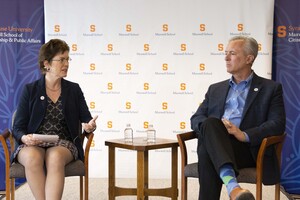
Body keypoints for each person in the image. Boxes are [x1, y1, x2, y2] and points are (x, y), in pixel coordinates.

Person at [190, 36, 286, 200]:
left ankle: (232, 186)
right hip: (217, 144)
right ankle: (233, 188)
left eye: (232, 53)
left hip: (247, 149)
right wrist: (213, 130)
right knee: (211, 125)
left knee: (207, 150)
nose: (226, 58)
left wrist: (244, 134)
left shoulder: (270, 88)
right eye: (226, 53)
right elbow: (196, 118)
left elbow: (277, 124)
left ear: (249, 58)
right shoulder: (215, 89)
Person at [12, 38, 98, 200]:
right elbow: (17, 127)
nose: (66, 64)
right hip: (33, 143)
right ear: (47, 64)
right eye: (61, 59)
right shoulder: (30, 90)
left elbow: (86, 119)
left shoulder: (73, 89)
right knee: (31, 157)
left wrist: (89, 126)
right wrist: (25, 138)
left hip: (63, 143)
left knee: (55, 156)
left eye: (67, 59)